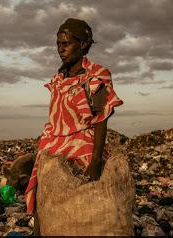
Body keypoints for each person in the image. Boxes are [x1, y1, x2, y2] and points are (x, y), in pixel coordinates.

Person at [24, 18, 123, 235]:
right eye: (58, 44)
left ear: (84, 44)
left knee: (86, 203)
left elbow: (101, 117)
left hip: (83, 145)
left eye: (66, 43)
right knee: (43, 200)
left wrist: (96, 160)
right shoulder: (58, 79)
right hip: (52, 148)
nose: (60, 49)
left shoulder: (97, 75)